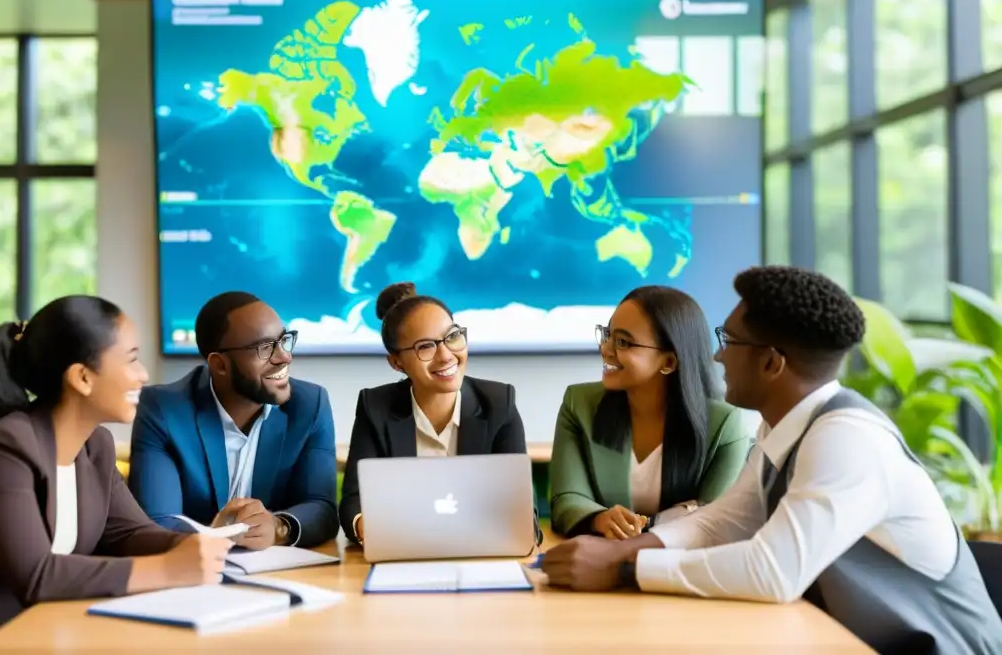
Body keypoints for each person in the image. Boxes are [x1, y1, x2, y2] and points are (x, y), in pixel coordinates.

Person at [542, 267, 1002, 654]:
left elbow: (772, 571)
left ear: (772, 363)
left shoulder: (847, 440)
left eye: (730, 340)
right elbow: (718, 523)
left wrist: (623, 568)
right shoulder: (785, 429)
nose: (717, 355)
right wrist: (620, 550)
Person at [0, 296, 231, 640]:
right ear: (82, 378)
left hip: (61, 628)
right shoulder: (3, 446)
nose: (143, 375)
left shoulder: (96, 445)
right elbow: (36, 575)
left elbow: (128, 533)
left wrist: (205, 544)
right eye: (131, 360)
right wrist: (168, 568)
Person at [128, 292, 338, 549]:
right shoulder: (163, 409)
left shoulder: (310, 405)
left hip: (280, 571)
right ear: (220, 365)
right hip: (191, 572)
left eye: (284, 340)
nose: (284, 357)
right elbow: (156, 521)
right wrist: (215, 536)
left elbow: (323, 508)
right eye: (264, 348)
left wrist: (278, 526)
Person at [339, 282, 542, 545]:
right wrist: (364, 523)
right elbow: (353, 501)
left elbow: (525, 512)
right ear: (396, 362)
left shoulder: (499, 404)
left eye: (452, 337)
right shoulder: (375, 406)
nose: (446, 356)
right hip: (405, 553)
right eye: (426, 347)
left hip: (481, 554)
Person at [549, 286, 750, 539]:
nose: (606, 349)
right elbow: (567, 498)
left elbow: (715, 518)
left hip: (679, 567)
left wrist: (650, 525)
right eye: (608, 335)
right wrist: (599, 518)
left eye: (623, 342)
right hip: (600, 558)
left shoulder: (724, 424)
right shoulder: (578, 403)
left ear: (668, 362)